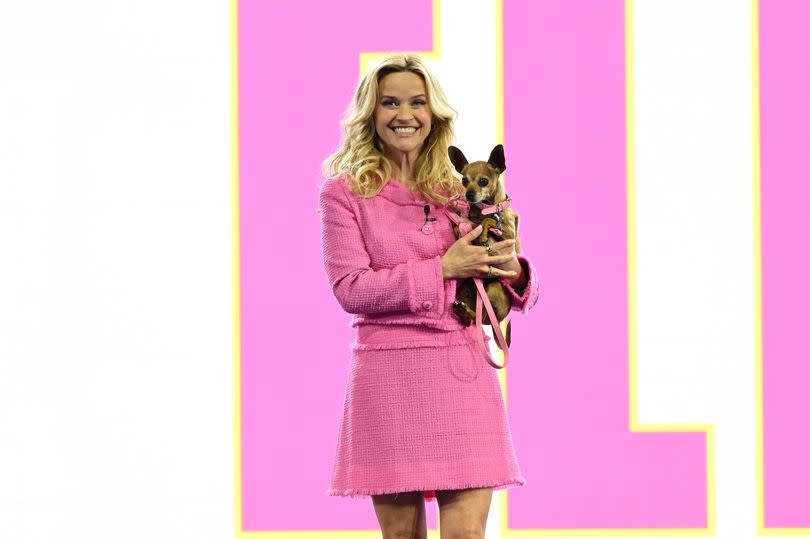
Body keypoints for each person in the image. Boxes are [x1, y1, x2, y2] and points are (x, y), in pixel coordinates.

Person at [319, 54, 540, 539]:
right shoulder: (343, 193)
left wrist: (515, 273)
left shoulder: (460, 188)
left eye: (417, 102)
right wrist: (442, 269)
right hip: (389, 379)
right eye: (390, 102)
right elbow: (350, 288)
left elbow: (511, 281)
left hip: (461, 376)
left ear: (433, 113)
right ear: (370, 114)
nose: (405, 114)